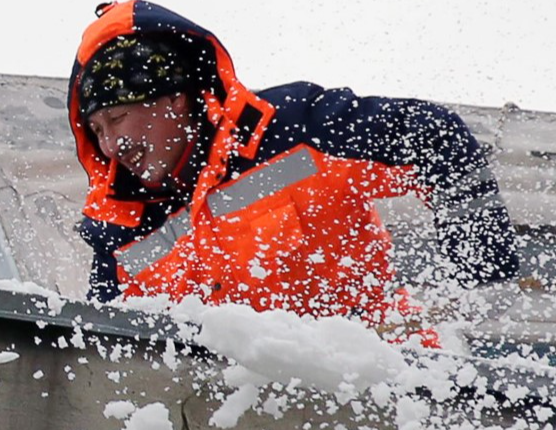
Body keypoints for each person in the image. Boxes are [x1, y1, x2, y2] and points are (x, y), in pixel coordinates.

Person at [67, 1, 520, 342]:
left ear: (174, 99)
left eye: (119, 118)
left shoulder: (296, 132)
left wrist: (482, 277)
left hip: (382, 404)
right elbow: (109, 356)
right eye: (97, 129)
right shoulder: (118, 230)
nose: (111, 145)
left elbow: (434, 138)